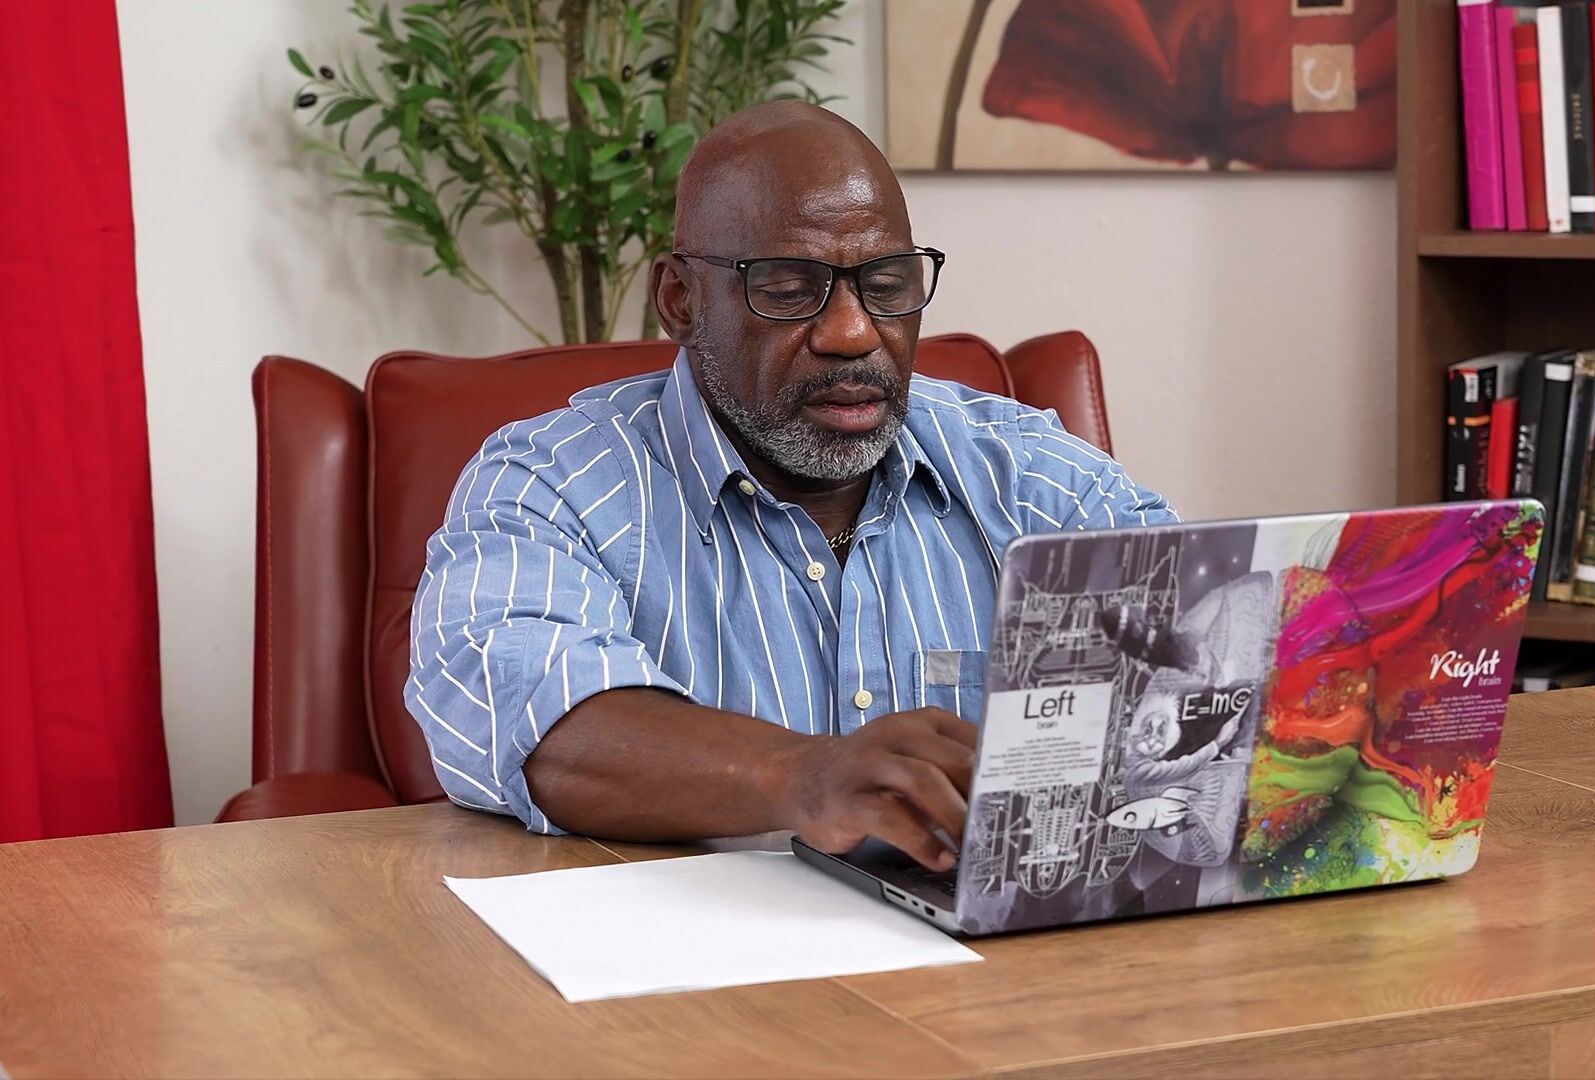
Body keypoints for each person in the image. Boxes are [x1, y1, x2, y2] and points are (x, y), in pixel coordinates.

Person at [407, 101, 1177, 870]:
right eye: (787, 288)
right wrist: (804, 777)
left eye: (886, 284)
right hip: (693, 938)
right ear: (680, 300)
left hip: (988, 932)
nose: (853, 333)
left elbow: (1203, 670)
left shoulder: (1035, 480)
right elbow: (525, 715)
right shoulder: (553, 485)